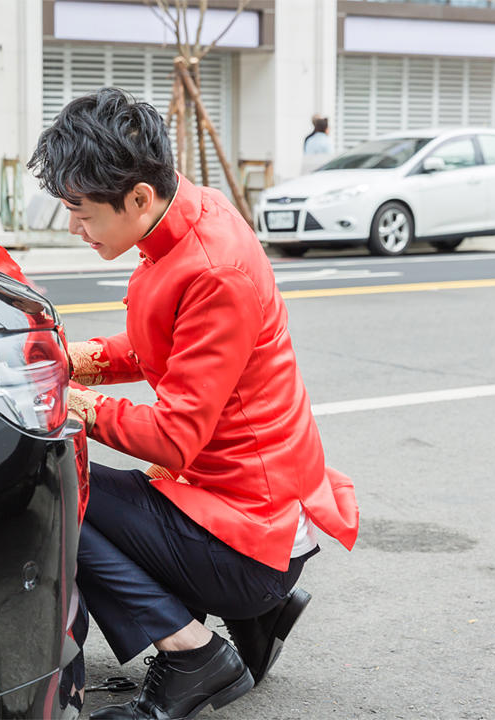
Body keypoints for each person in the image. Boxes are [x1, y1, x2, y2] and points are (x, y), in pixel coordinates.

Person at [28, 88, 358, 720]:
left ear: (138, 197)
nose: (72, 226)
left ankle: (193, 654)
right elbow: (167, 343)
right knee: (100, 491)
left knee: (66, 491)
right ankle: (257, 617)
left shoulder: (210, 271)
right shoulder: (191, 212)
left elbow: (176, 438)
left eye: (80, 210)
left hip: (248, 537)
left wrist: (74, 403)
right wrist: (83, 360)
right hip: (253, 512)